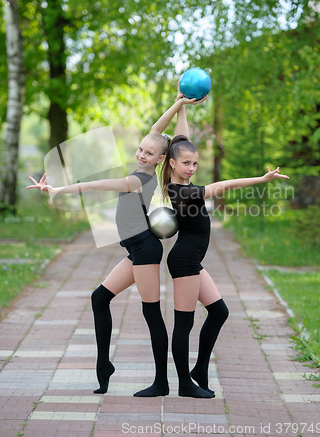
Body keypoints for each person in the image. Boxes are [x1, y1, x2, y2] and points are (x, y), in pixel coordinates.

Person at [26, 90, 207, 397]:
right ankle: (104, 365)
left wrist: (58, 190)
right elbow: (157, 133)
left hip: (146, 251)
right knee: (99, 298)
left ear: (162, 161)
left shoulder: (142, 180)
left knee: (152, 314)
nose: (141, 154)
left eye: (149, 154)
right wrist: (179, 104)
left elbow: (97, 184)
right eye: (140, 150)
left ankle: (162, 382)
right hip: (135, 250)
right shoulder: (144, 165)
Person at [160, 135, 289, 398]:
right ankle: (185, 385)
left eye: (195, 163)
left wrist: (182, 103)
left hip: (192, 261)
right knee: (184, 324)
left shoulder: (185, 182)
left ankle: (200, 371)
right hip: (184, 261)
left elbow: (181, 136)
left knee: (219, 312)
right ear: (172, 163)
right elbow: (225, 185)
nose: (192, 168)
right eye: (186, 163)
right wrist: (261, 180)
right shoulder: (180, 190)